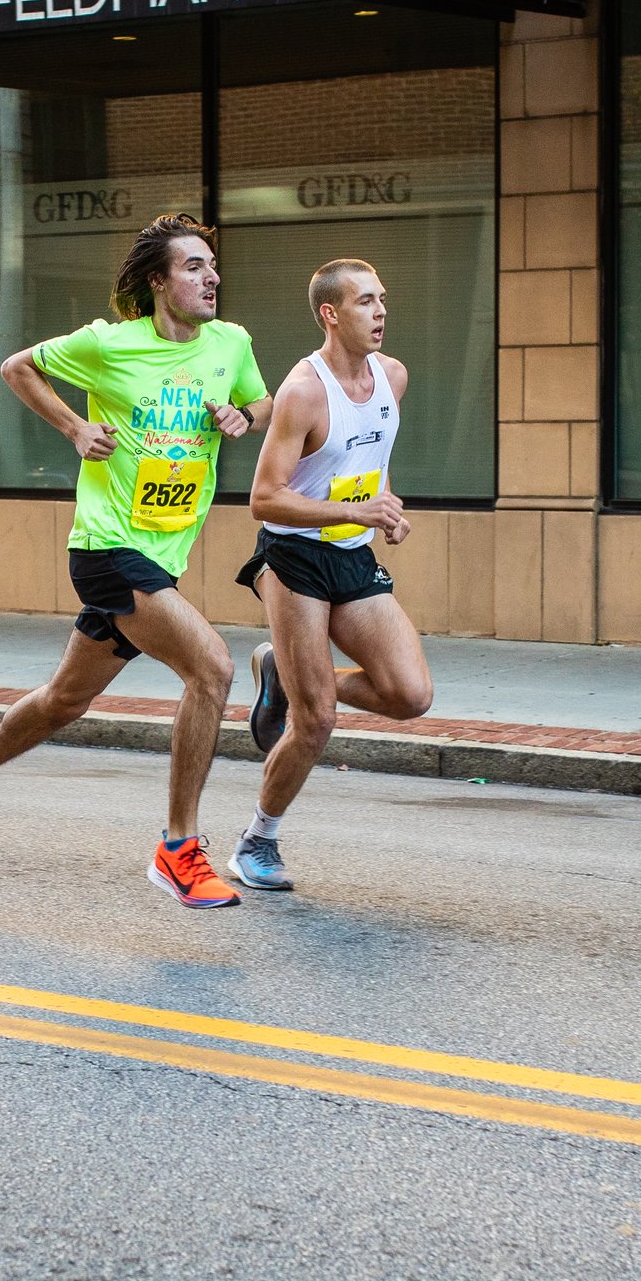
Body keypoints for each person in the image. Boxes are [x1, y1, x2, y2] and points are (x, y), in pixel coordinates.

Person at [0, 214, 271, 909]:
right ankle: (178, 849)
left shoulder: (231, 343)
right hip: (106, 547)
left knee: (64, 701)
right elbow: (17, 367)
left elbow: (261, 399)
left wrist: (243, 418)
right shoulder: (108, 345)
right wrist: (75, 427)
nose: (212, 277)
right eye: (194, 266)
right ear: (158, 280)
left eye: (212, 265)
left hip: (161, 552)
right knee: (213, 668)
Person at [228, 259, 434, 892]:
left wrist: (386, 508)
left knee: (410, 695)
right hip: (294, 560)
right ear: (331, 314)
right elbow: (265, 497)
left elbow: (369, 457)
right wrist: (356, 510)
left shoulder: (391, 377)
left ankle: (285, 679)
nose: (381, 312)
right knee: (317, 723)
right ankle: (257, 841)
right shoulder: (303, 392)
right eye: (366, 302)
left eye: (382, 300)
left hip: (352, 554)